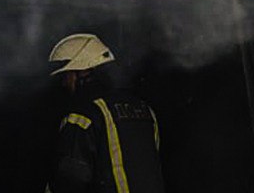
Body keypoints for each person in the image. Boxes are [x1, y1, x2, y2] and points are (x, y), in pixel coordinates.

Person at [47, 33, 166, 193]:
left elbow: (69, 182)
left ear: (82, 72)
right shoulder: (144, 110)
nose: (65, 83)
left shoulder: (83, 116)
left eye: (66, 75)